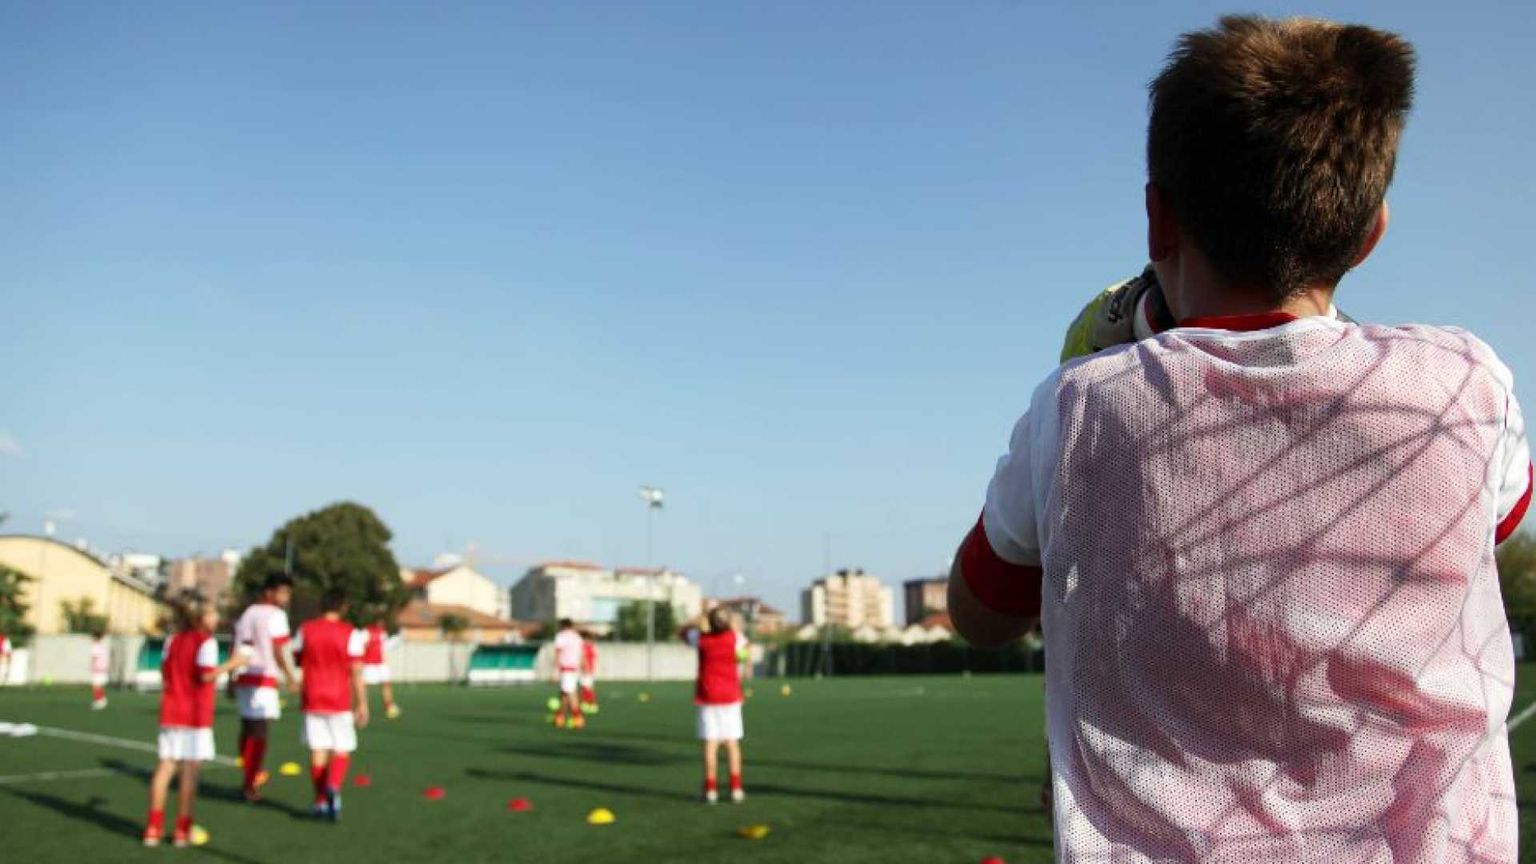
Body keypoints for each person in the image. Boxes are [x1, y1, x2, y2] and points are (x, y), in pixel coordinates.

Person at [948, 16, 1530, 862]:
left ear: (1158, 220)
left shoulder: (1077, 406)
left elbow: (978, 613)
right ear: (1370, 234)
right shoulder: (1467, 384)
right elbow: (1494, 524)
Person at [143, 594, 248, 847]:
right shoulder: (206, 642)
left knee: (164, 768)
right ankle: (182, 830)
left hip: (170, 711)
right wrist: (233, 663)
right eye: (212, 613)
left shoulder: (172, 640)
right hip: (194, 715)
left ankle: (153, 829)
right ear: (200, 617)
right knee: (189, 773)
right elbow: (205, 676)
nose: (216, 618)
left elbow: (165, 671)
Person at [292, 588, 369, 822]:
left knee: (318, 750)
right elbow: (356, 672)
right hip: (339, 699)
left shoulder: (305, 629)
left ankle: (320, 801)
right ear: (343, 607)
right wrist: (362, 703)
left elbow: (297, 659)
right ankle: (333, 786)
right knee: (341, 747)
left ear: (320, 606)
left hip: (312, 696)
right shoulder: (350, 633)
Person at [231, 574, 296, 802]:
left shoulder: (248, 612)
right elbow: (279, 649)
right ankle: (250, 784)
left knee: (247, 728)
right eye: (283, 592)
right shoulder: (276, 615)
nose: (287, 597)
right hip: (263, 678)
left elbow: (237, 644)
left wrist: (232, 677)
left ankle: (250, 775)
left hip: (243, 676)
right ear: (269, 592)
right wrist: (290, 676)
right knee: (260, 732)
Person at [681, 606, 747, 804]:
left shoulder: (701, 640)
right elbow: (744, 646)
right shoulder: (735, 638)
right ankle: (736, 788)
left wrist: (701, 614)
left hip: (708, 698)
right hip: (730, 697)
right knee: (732, 743)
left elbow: (682, 630)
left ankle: (711, 789)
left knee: (711, 744)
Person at [361, 614, 401, 720]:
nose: (382, 624)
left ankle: (388, 706)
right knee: (364, 687)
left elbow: (385, 647)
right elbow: (361, 647)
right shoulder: (366, 632)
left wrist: (396, 641)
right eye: (380, 621)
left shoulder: (383, 633)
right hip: (368, 664)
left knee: (386, 684)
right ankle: (362, 707)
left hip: (381, 664)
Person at [551, 619, 585, 729]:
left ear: (562, 626)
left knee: (570, 693)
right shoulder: (577, 637)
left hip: (566, 668)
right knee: (564, 693)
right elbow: (582, 653)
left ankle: (578, 718)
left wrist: (554, 671)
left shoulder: (561, 636)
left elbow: (558, 653)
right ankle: (560, 717)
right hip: (575, 668)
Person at [578, 631, 599, 715]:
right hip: (588, 670)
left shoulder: (586, 647)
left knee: (586, 688)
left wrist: (586, 667)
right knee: (585, 687)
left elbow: (584, 658)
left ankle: (591, 704)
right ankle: (586, 703)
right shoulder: (591, 647)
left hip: (586, 670)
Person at [88, 630, 109, 710]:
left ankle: (99, 701)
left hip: (97, 668)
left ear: (95, 637)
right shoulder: (103, 646)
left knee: (96, 686)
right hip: (103, 668)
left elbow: (94, 657)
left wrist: (92, 666)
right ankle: (102, 700)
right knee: (99, 685)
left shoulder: (95, 646)